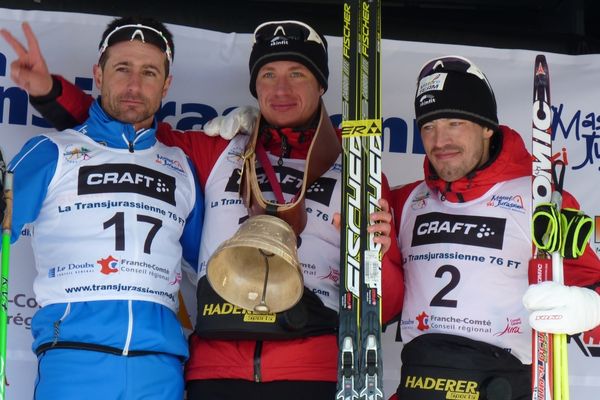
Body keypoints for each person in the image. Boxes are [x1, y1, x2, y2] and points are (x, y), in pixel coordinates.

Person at [3, 19, 396, 400]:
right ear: (254, 86)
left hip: (309, 367)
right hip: (215, 370)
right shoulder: (210, 150)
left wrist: (378, 252)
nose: (281, 89)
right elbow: (123, 129)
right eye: (268, 74)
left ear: (321, 84)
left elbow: (387, 303)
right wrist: (50, 90)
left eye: (297, 73)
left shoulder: (358, 170)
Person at [1, 17, 203, 400]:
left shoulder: (182, 167)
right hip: (74, 362)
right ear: (98, 73)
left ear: (167, 84)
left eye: (149, 72)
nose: (133, 85)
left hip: (160, 370)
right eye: (122, 68)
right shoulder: (51, 153)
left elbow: (211, 270)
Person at [382, 55, 600, 400]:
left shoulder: (541, 200)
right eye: (428, 126)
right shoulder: (404, 201)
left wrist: (589, 308)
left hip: (504, 384)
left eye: (455, 123)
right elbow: (381, 302)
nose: (440, 141)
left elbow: (593, 284)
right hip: (417, 385)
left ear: (487, 126)